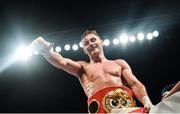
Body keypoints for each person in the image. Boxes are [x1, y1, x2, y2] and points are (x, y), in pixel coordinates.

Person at [30, 30, 153, 113]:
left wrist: (146, 100)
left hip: (126, 109)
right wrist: (46, 51)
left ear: (101, 42)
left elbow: (134, 84)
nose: (91, 44)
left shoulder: (119, 63)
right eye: (86, 43)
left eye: (93, 40)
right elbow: (62, 62)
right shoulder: (82, 68)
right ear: (84, 50)